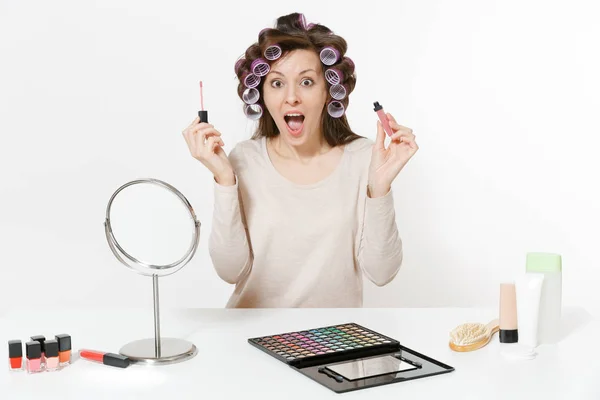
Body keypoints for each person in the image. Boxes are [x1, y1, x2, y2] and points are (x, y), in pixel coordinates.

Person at [182, 13, 418, 308]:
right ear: (262, 95)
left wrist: (379, 188)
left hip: (332, 341)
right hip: (252, 337)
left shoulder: (364, 158)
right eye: (277, 83)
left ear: (328, 93)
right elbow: (229, 272)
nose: (291, 97)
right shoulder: (244, 159)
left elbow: (382, 273)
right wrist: (225, 181)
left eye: (306, 82)